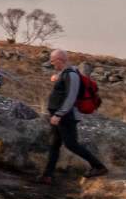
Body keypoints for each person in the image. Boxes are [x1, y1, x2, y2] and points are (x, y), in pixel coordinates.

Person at [41, 50, 109, 183]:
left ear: (60, 60)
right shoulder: (66, 73)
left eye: (53, 61)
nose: (52, 63)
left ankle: (99, 166)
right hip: (59, 115)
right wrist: (57, 77)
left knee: (71, 144)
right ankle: (47, 176)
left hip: (66, 116)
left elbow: (71, 97)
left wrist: (59, 114)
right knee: (54, 144)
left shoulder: (72, 75)